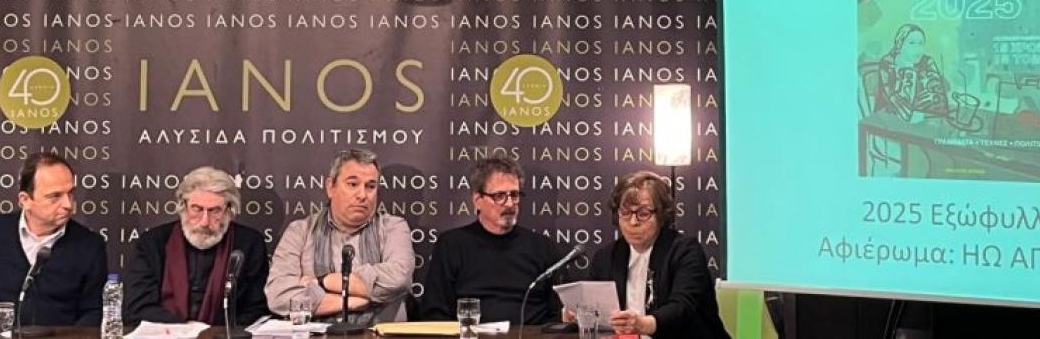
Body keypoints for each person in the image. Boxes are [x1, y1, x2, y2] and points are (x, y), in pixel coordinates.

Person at [0, 152, 107, 326]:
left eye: (70, 193)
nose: (68, 204)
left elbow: (93, 312)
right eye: (55, 196)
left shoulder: (89, 246)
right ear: (25, 200)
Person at [265, 149, 413, 328]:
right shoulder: (299, 231)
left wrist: (322, 282)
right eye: (352, 184)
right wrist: (353, 301)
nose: (362, 195)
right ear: (331, 187)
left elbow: (398, 280)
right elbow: (279, 296)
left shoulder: (393, 228)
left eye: (370, 186)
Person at [573, 171, 729, 339]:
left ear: (661, 215)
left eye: (643, 214)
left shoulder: (685, 251)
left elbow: (682, 307)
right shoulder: (606, 257)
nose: (633, 222)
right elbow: (593, 305)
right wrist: (578, 312)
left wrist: (642, 324)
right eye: (625, 212)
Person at [420, 155, 561, 325]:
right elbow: (435, 312)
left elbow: (559, 314)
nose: (509, 204)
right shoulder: (451, 245)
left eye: (514, 195)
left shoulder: (543, 247)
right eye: (499, 196)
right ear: (477, 200)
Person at [123, 166, 270, 326]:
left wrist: (215, 333)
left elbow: (256, 309)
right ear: (183, 207)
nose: (205, 222)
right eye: (197, 209)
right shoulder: (152, 243)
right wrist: (188, 330)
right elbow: (137, 309)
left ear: (229, 211)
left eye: (215, 211)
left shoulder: (249, 244)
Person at [876, 23, 950, 123]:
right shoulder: (888, 63)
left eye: (921, 43)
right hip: (889, 119)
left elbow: (939, 98)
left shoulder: (927, 61)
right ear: (899, 44)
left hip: (924, 117)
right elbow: (893, 99)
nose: (917, 48)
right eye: (911, 43)